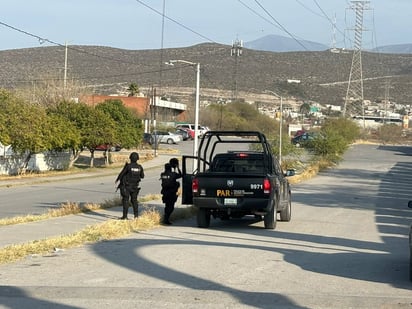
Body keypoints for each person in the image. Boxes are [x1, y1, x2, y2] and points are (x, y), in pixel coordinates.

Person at [115, 152, 144, 220]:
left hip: (127, 187)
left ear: (130, 158)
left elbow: (121, 174)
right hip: (135, 187)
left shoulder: (128, 166)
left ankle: (125, 216)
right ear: (137, 159)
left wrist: (117, 180)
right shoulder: (140, 167)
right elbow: (142, 176)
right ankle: (136, 216)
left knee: (125, 201)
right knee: (134, 201)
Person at [160, 158, 182, 225]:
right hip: (171, 192)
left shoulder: (162, 174)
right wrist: (178, 168)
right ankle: (166, 219)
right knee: (171, 207)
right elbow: (181, 175)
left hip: (165, 192)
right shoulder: (173, 174)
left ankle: (165, 218)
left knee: (167, 206)